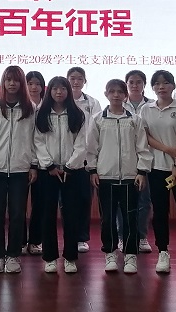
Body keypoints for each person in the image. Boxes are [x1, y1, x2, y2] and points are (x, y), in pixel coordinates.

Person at [88, 79, 152, 275]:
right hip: (105, 177)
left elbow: (143, 148)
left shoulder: (135, 120)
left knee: (130, 217)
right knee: (107, 219)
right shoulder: (98, 119)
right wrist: (92, 170)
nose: (116, 95)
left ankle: (130, 254)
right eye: (112, 91)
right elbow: (91, 148)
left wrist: (142, 171)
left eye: (120, 92)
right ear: (106, 94)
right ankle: (110, 253)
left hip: (130, 178)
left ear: (125, 95)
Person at [0, 66, 36, 274]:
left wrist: (34, 164)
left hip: (21, 168)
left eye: (16, 80)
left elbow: (35, 138)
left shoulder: (30, 108)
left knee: (18, 214)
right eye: (8, 80)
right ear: (3, 82)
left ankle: (13, 255)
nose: (12, 84)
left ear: (21, 84)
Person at [140, 70, 176, 277]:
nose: (161, 87)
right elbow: (146, 137)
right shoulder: (146, 109)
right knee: (160, 212)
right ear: (152, 88)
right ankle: (163, 252)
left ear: (173, 86)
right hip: (157, 168)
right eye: (157, 84)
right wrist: (168, 150)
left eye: (166, 83)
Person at [33, 76, 87, 274]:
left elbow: (82, 143)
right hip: (48, 172)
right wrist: (49, 165)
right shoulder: (41, 114)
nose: (59, 92)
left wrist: (70, 166)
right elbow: (37, 142)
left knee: (71, 214)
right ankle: (50, 258)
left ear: (68, 91)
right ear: (49, 91)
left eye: (62, 88)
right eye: (55, 88)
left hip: (72, 172)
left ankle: (70, 257)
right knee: (47, 214)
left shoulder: (78, 114)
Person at [67, 66, 102, 253]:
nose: (75, 82)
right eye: (72, 78)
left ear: (84, 81)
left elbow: (97, 130)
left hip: (86, 160)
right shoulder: (60, 101)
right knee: (64, 202)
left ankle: (81, 238)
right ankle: (68, 237)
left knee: (84, 199)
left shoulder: (92, 103)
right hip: (65, 160)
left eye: (79, 78)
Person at [122, 69, 153, 254]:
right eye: (131, 82)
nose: (135, 85)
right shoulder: (117, 104)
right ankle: (122, 237)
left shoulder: (151, 105)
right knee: (121, 202)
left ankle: (141, 237)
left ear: (144, 85)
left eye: (138, 82)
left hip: (146, 158)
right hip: (123, 159)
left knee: (144, 200)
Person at [24, 70, 46, 255]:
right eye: (30, 83)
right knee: (18, 205)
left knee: (40, 204)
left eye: (37, 83)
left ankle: (35, 241)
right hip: (22, 161)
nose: (33, 87)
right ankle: (20, 241)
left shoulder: (49, 106)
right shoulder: (20, 106)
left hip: (43, 163)